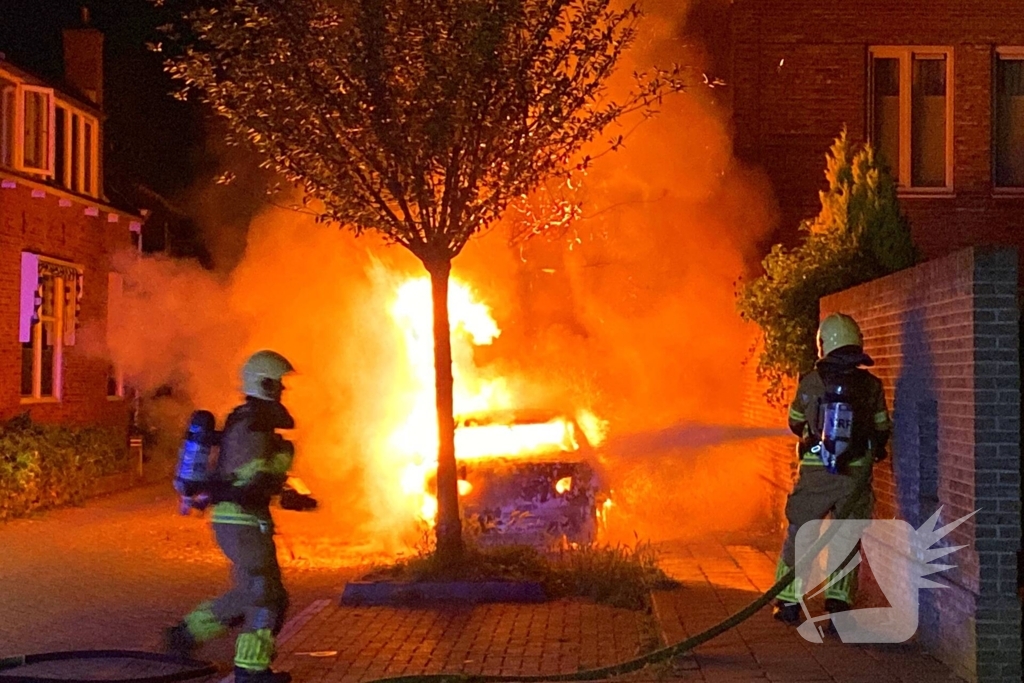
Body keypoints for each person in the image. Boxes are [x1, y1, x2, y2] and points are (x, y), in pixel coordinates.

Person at [165, 350, 300, 683]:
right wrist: (279, 475)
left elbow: (249, 475)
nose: (283, 389)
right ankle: (250, 671)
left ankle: (188, 633)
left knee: (251, 591)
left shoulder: (251, 420)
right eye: (278, 383)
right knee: (265, 597)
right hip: (243, 523)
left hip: (241, 521)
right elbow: (250, 477)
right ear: (264, 384)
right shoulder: (253, 424)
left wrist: (284, 486)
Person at [772, 313, 892, 630]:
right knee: (846, 534)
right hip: (856, 474)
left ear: (823, 343)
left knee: (802, 530)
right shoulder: (872, 386)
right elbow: (882, 427)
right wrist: (872, 447)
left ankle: (788, 601)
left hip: (816, 471)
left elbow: (795, 422)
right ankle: (837, 605)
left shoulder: (811, 382)